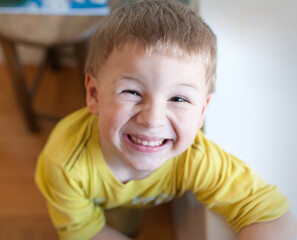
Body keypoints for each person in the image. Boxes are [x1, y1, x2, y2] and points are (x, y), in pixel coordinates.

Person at [35, 0, 297, 239]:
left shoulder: (195, 158)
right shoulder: (63, 165)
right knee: (117, 222)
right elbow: (85, 231)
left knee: (128, 219)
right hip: (95, 197)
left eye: (179, 99)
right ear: (94, 94)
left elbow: (271, 216)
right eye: (132, 92)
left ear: (202, 112)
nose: (152, 119)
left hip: (131, 196)